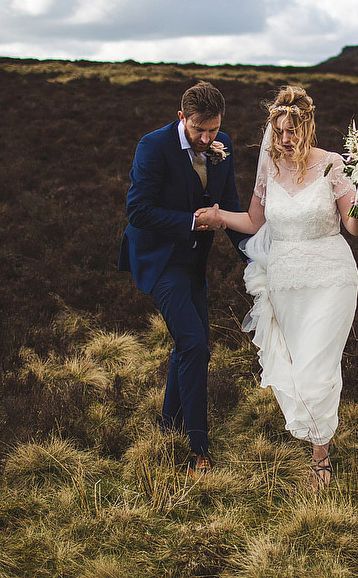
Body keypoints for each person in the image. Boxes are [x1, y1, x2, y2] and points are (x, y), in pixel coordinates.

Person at [194, 86, 358, 488]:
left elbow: (353, 228)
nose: (284, 139)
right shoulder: (270, 169)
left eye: (291, 131)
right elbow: (256, 222)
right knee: (295, 363)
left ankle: (320, 459)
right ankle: (318, 440)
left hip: (331, 278)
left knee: (317, 367)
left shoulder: (332, 165)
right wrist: (218, 216)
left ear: (306, 127)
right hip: (286, 281)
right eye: (279, 131)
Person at [118, 81, 245, 476]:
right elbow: (138, 211)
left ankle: (167, 427)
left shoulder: (222, 145)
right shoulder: (152, 147)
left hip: (193, 264)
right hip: (158, 259)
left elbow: (234, 208)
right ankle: (198, 449)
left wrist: (257, 258)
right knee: (193, 345)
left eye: (213, 129)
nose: (207, 138)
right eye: (198, 130)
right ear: (181, 118)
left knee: (192, 344)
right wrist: (192, 221)